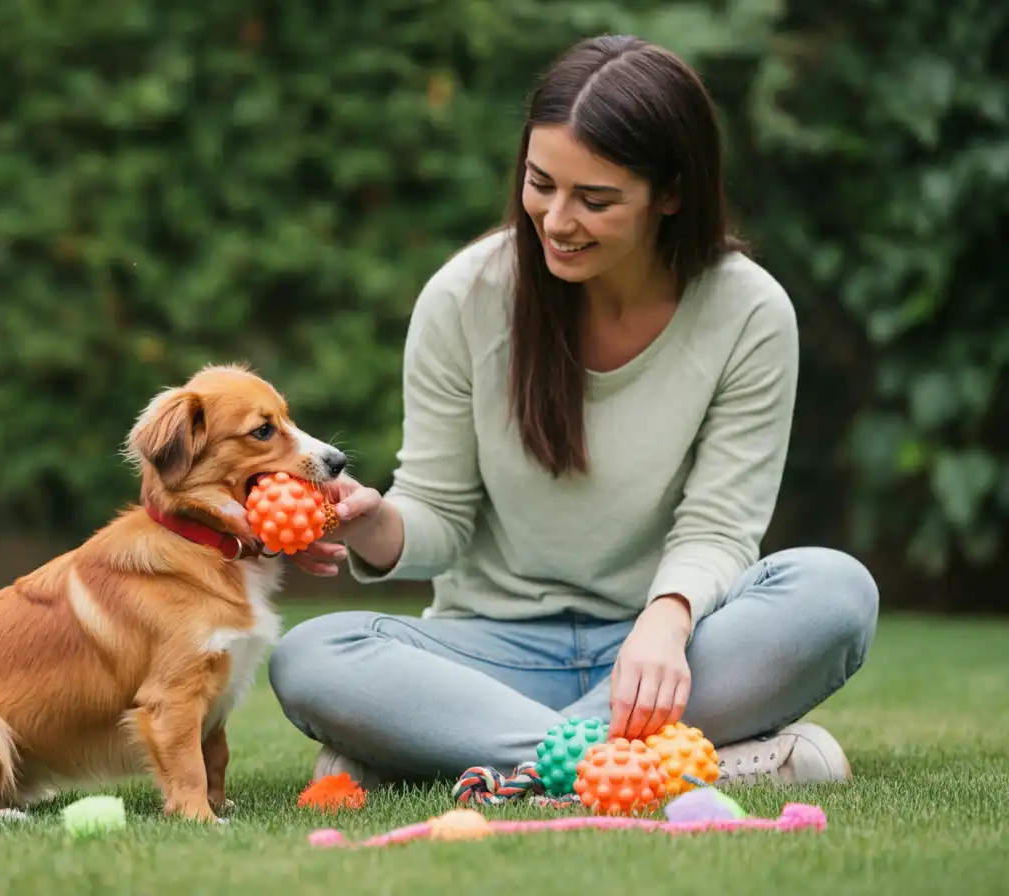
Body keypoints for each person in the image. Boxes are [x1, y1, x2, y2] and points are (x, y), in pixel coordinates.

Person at [266, 34, 879, 791]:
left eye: (595, 200)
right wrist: (372, 522)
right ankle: (659, 761)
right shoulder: (464, 298)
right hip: (488, 653)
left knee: (835, 591)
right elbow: (439, 515)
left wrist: (668, 617)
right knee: (312, 655)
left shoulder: (749, 313)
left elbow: (720, 527)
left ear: (672, 194)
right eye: (540, 184)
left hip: (664, 651)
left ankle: (467, 752)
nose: (556, 220)